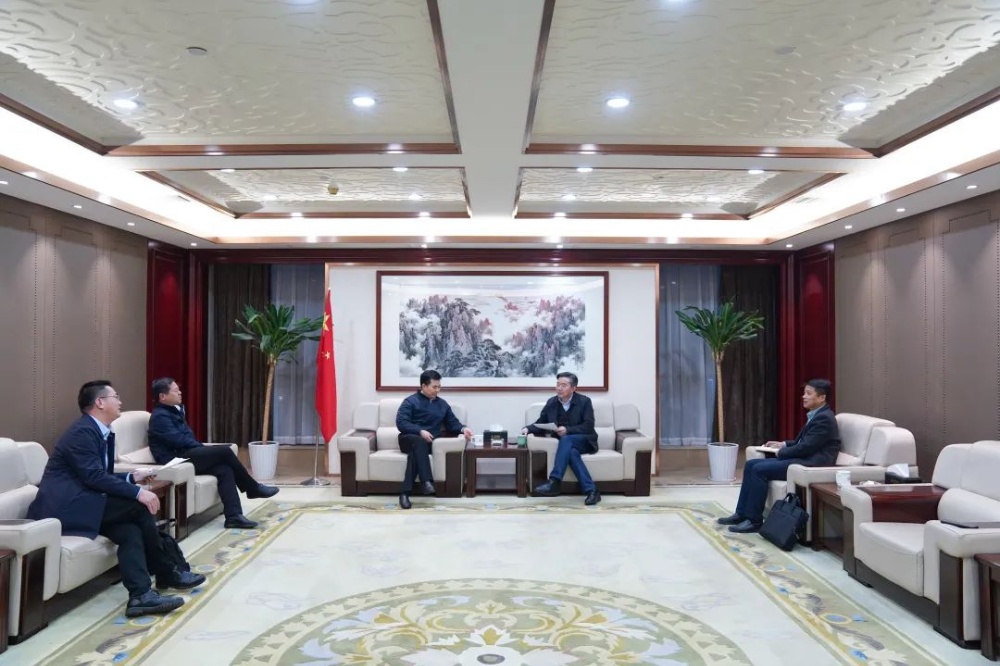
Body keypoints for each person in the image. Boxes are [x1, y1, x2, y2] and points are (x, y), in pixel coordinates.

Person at [27, 380, 206, 617]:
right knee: (138, 508)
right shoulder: (82, 432)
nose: (120, 402)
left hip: (86, 501)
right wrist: (138, 492)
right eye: (116, 397)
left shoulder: (102, 432)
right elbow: (93, 477)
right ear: (100, 402)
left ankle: (140, 595)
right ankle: (166, 571)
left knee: (130, 532)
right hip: (64, 507)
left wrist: (132, 477)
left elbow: (101, 474)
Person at [147, 377, 278, 529]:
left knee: (224, 469)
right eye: (176, 391)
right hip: (175, 460)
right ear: (163, 396)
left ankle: (234, 516)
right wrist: (201, 448)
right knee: (224, 452)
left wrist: (201, 448)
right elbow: (178, 441)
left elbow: (186, 439)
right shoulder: (159, 416)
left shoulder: (173, 411)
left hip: (185, 453)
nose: (180, 393)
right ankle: (252, 488)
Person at [717, 378, 841, 533]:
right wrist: (784, 444)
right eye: (804, 393)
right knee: (751, 464)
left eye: (809, 393)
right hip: (803, 458)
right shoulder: (817, 414)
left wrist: (780, 452)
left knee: (759, 470)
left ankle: (754, 520)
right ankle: (741, 513)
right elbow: (804, 442)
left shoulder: (824, 418)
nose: (804, 396)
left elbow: (806, 447)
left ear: (822, 397)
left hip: (810, 464)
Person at [395, 369, 472, 510]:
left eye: (439, 387)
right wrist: (420, 431)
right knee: (418, 441)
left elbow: (452, 423)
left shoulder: (442, 404)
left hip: (429, 443)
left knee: (415, 454)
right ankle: (426, 481)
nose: (438, 390)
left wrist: (463, 429)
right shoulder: (410, 401)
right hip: (408, 439)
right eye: (434, 387)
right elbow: (401, 423)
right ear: (423, 386)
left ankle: (405, 493)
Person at [526, 371, 601, 505]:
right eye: (558, 384)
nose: (559, 388)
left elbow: (588, 426)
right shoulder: (552, 402)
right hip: (567, 446)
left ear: (573, 388)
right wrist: (527, 429)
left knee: (566, 439)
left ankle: (555, 481)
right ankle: (592, 491)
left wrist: (568, 430)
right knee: (571, 453)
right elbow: (541, 423)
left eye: (564, 385)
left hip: (585, 441)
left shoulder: (584, 401)